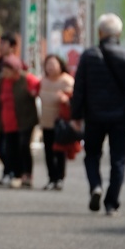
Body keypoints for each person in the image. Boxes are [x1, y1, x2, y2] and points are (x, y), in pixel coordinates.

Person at [70, 13, 125, 215]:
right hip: (120, 117)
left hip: (94, 115)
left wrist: (76, 116)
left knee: (92, 155)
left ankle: (96, 186)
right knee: (118, 160)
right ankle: (111, 203)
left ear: (100, 33)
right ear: (119, 33)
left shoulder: (88, 55)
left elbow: (79, 88)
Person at [0, 54, 40, 187]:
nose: (4, 73)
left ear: (15, 70)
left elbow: (39, 87)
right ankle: (13, 173)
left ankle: (26, 174)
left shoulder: (26, 79)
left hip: (25, 120)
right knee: (8, 149)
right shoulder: (1, 81)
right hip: (7, 121)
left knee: (23, 146)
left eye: (7, 70)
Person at [39, 54, 74, 189]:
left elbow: (74, 100)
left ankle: (59, 178)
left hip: (60, 123)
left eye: (53, 64)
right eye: (48, 65)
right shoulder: (43, 81)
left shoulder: (67, 81)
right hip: (46, 122)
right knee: (48, 151)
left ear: (60, 65)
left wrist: (66, 100)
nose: (50, 67)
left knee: (60, 151)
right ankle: (51, 178)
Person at [0, 32, 20, 184]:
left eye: (4, 43)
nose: (1, 46)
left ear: (12, 47)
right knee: (1, 145)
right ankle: (9, 171)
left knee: (9, 146)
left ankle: (12, 172)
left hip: (11, 112)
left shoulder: (14, 63)